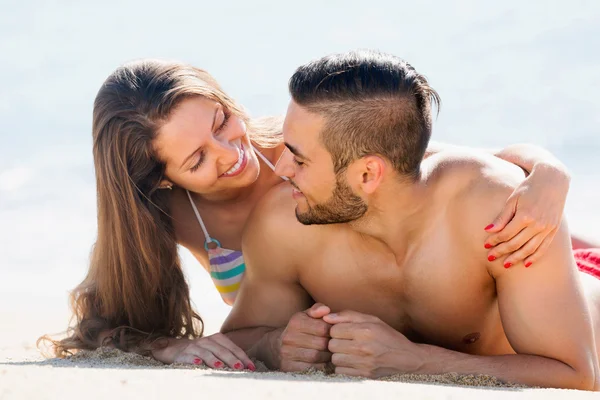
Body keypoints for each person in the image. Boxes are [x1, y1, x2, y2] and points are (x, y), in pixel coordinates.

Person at [43, 59, 581, 369]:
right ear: (163, 179)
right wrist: (175, 346)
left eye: (221, 121)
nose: (232, 154)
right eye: (197, 158)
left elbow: (417, 158)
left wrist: (549, 172)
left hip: (522, 271)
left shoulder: (299, 149)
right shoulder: (169, 218)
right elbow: (112, 322)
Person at [221, 50, 600, 390]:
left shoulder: (496, 208)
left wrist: (416, 361)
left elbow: (575, 376)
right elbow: (238, 337)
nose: (282, 169)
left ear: (368, 174)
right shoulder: (282, 223)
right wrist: (275, 344)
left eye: (299, 158)